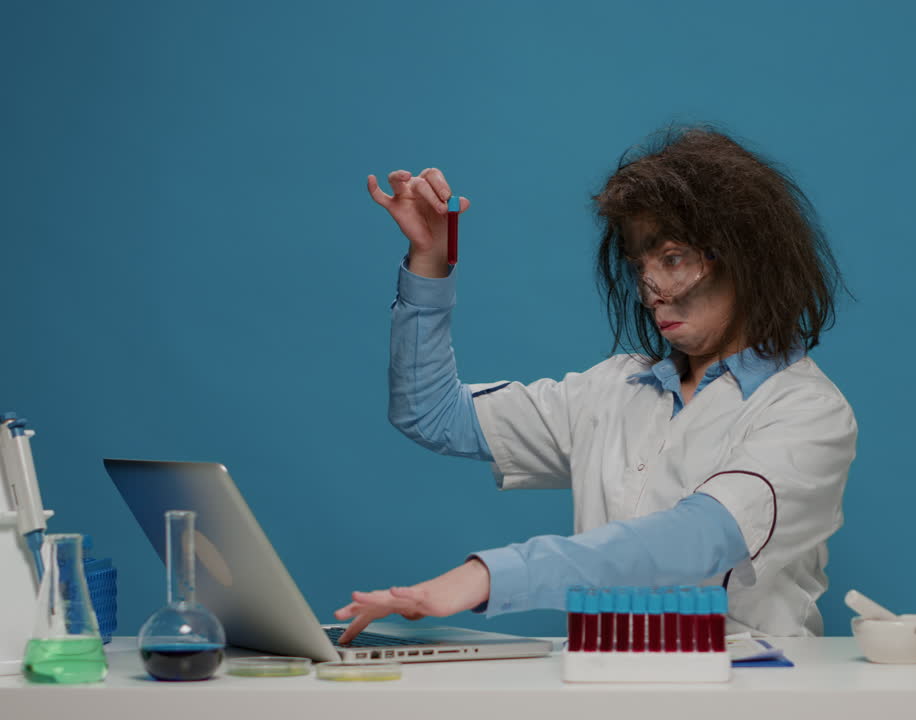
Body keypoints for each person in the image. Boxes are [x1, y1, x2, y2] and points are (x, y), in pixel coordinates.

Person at [335, 127, 856, 642]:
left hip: (746, 691)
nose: (652, 291)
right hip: (600, 684)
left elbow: (699, 539)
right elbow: (431, 413)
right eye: (639, 266)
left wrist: (488, 576)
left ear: (748, 257)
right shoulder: (612, 389)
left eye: (672, 258)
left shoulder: (807, 411)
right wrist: (430, 261)